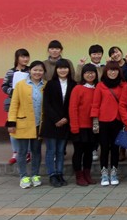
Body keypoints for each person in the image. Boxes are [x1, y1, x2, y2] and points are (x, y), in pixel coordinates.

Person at [6, 60, 46, 189]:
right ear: (30, 70)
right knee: (22, 151)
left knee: (36, 151)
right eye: (35, 70)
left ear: (44, 72)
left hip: (38, 124)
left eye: (40, 70)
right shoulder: (20, 85)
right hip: (23, 123)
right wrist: (11, 122)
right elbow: (14, 104)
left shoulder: (46, 85)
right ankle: (23, 176)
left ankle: (35, 174)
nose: (37, 72)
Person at [91, 61, 127, 186]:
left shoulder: (123, 85)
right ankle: (104, 173)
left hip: (118, 120)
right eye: (110, 70)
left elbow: (125, 104)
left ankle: (114, 172)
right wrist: (95, 122)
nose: (113, 72)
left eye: (115, 70)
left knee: (116, 148)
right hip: (104, 121)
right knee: (105, 148)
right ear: (106, 71)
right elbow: (95, 104)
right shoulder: (100, 85)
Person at [41, 59, 76, 187]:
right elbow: (46, 104)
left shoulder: (73, 84)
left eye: (65, 68)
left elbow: (73, 104)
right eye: (60, 68)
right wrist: (56, 119)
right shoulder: (50, 84)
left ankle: (60, 173)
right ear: (56, 70)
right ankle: (52, 174)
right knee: (51, 150)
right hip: (51, 123)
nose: (63, 70)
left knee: (61, 151)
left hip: (65, 122)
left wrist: (66, 118)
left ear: (69, 70)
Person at [69, 64, 99, 186]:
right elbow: (73, 108)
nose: (90, 75)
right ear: (83, 75)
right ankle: (79, 175)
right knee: (78, 152)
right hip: (80, 127)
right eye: (87, 73)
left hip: (93, 127)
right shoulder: (78, 88)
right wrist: (74, 126)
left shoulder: (97, 88)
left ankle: (87, 174)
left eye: (92, 72)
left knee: (89, 152)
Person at [1, 48, 30, 165]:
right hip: (13, 102)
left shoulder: (31, 71)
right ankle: (16, 152)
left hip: (28, 103)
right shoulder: (10, 72)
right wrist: (13, 91)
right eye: (22, 57)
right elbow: (3, 86)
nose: (25, 59)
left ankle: (27, 152)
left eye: (27, 57)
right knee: (12, 127)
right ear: (17, 58)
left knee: (27, 127)